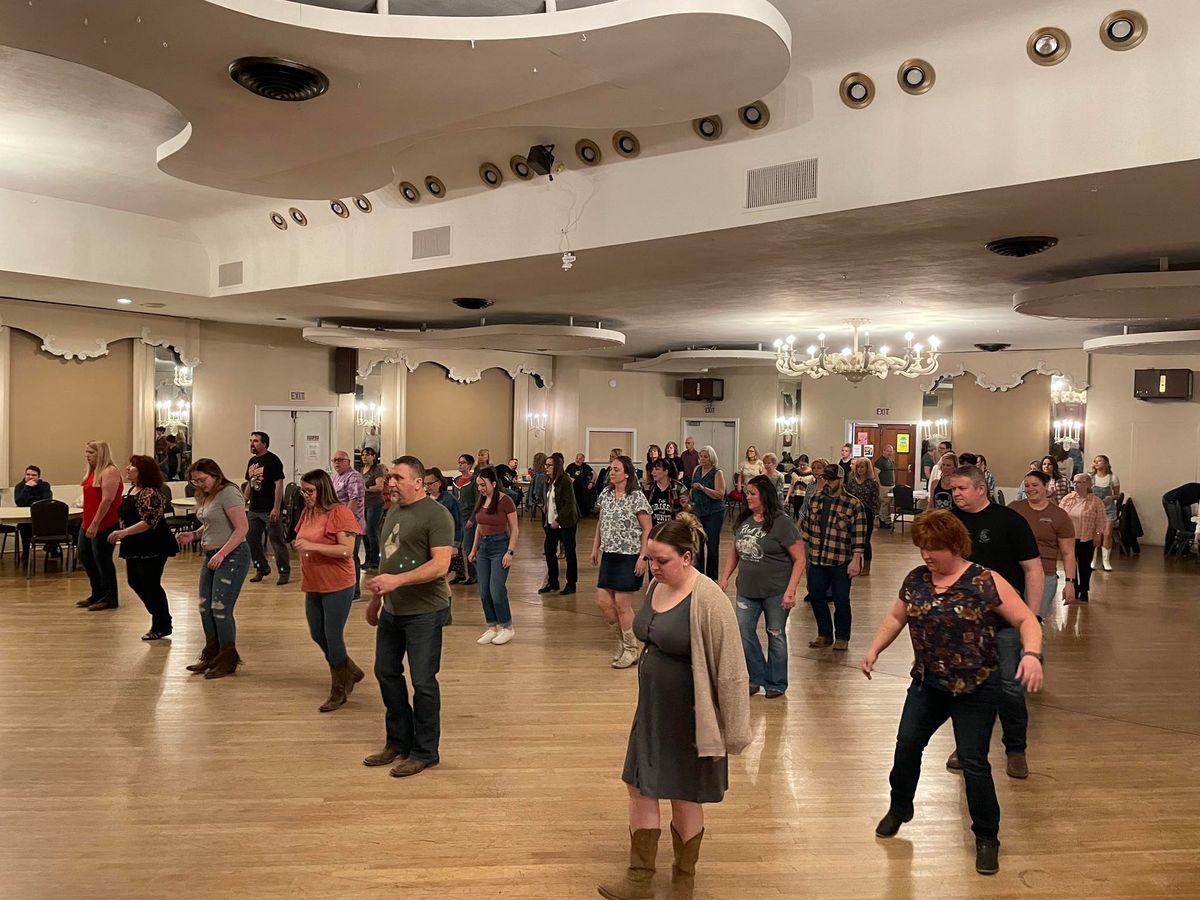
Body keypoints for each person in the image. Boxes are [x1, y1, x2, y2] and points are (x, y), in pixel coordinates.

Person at [861, 509, 1044, 877]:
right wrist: (874, 648)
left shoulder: (983, 580)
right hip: (929, 684)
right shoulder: (917, 580)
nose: (927, 556)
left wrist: (1032, 655)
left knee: (974, 763)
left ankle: (987, 837)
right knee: (907, 745)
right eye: (922, 548)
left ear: (955, 545)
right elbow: (897, 617)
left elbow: (1025, 619)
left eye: (935, 548)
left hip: (976, 687)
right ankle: (900, 807)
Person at [597, 515, 751, 900]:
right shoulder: (656, 586)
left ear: (687, 557)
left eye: (661, 561)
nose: (653, 567)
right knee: (640, 788)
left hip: (691, 716)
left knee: (684, 795)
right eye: (650, 559)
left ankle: (684, 881)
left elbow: (733, 672)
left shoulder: (710, 600)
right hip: (652, 710)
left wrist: (733, 734)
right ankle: (639, 878)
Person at [948, 465, 1043, 778]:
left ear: (980, 489)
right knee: (965, 688)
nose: (955, 494)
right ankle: (967, 747)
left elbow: (1033, 570)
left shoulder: (1009, 521)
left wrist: (1030, 615)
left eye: (961, 488)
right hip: (962, 623)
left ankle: (1016, 750)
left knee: (1009, 689)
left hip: (1003, 622)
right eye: (953, 489)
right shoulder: (950, 521)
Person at [363, 456, 454, 778]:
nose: (390, 483)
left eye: (398, 478)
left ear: (418, 481)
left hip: (424, 613)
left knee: (423, 682)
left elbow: (440, 565)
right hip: (393, 609)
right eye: (389, 477)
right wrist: (376, 600)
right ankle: (398, 742)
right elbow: (389, 561)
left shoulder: (437, 515)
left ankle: (425, 751)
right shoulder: (393, 512)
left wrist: (396, 582)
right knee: (386, 672)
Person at [719, 475, 803, 699]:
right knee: (743, 632)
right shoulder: (744, 520)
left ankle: (776, 682)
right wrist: (724, 577)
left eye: (752, 493)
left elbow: (800, 558)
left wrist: (791, 590)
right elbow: (734, 551)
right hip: (747, 590)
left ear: (765, 496)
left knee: (775, 634)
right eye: (747, 493)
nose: (748, 497)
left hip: (776, 591)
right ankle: (755, 677)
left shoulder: (782, 523)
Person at [293, 468, 363, 712]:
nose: (306, 495)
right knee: (316, 633)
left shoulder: (339, 513)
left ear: (322, 489)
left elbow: (347, 550)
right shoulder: (308, 512)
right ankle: (350, 669)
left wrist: (311, 546)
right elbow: (302, 538)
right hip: (313, 581)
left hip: (338, 583)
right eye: (303, 490)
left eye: (310, 491)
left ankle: (339, 687)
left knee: (332, 635)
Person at [178, 459, 251, 679]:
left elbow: (242, 528)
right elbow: (211, 523)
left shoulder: (229, 492)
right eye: (195, 481)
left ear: (215, 475)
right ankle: (212, 654)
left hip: (232, 556)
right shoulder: (208, 495)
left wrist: (222, 553)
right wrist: (194, 535)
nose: (200, 485)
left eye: (203, 480)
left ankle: (227, 659)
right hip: (212, 555)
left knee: (220, 608)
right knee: (205, 607)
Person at [592, 455, 653, 669]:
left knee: (622, 604)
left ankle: (631, 649)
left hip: (630, 555)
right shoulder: (606, 494)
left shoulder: (636, 497)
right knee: (603, 602)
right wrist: (595, 547)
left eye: (616, 469)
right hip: (609, 553)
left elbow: (647, 528)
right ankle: (625, 641)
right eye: (610, 469)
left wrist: (643, 557)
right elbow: (601, 522)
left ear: (627, 473)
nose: (612, 472)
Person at [798, 464, 865, 651]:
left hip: (840, 560)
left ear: (841, 480)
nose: (828, 482)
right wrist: (799, 555)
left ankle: (842, 637)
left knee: (841, 599)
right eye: (826, 478)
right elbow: (807, 531)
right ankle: (824, 634)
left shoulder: (853, 504)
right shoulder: (815, 500)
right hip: (817, 558)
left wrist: (856, 560)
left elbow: (859, 537)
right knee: (816, 597)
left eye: (832, 479)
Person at [110, 455, 177, 640]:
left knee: (150, 583)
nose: (127, 468)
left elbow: (149, 521)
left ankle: (162, 623)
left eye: (132, 466)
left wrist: (123, 533)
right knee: (134, 581)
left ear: (143, 471)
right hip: (135, 543)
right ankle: (159, 615)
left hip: (153, 543)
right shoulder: (132, 489)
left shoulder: (151, 493)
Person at [1010, 470, 1077, 618]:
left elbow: (1068, 553)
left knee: (1034, 620)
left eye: (1035, 485)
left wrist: (1070, 583)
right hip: (1014, 573)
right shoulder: (1014, 508)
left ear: (1046, 486)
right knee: (1012, 622)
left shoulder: (1059, 515)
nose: (1030, 489)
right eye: (1027, 485)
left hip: (1044, 575)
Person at [469, 467, 519, 646]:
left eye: (483, 485)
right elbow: (479, 526)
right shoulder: (482, 500)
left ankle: (507, 627)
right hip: (484, 548)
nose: (480, 488)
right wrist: (474, 549)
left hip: (500, 546)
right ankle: (492, 626)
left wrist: (509, 552)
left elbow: (514, 528)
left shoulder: (505, 501)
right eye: (478, 485)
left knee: (496, 589)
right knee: (484, 590)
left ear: (494, 484)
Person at [76, 441, 123, 611]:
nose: (87, 455)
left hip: (104, 523)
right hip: (87, 522)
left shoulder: (109, 471)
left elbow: (107, 500)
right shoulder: (92, 472)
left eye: (91, 452)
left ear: (101, 453)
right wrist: (87, 522)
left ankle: (110, 597)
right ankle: (97, 593)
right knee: (85, 557)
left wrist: (95, 523)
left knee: (102, 560)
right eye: (86, 452)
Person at [245, 431, 290, 586]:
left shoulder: (273, 460)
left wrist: (276, 508)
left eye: (256, 441)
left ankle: (284, 571)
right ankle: (261, 568)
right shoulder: (252, 461)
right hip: (254, 509)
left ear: (264, 443)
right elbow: (250, 484)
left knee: (277, 541)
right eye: (251, 440)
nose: (252, 443)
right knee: (251, 539)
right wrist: (243, 500)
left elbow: (279, 484)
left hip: (269, 509)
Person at [1059, 475, 1107, 602]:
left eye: (1079, 482)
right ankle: (1073, 588)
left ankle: (1084, 589)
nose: (1076, 485)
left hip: (1086, 537)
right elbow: (1059, 515)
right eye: (1074, 482)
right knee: (1070, 564)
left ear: (1088, 484)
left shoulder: (1096, 501)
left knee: (1084, 565)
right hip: (1069, 538)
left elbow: (1101, 520)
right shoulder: (1068, 499)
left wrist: (1098, 534)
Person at [541, 454, 580, 596]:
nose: (546, 468)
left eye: (549, 465)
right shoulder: (549, 481)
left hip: (566, 522)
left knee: (569, 552)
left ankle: (571, 583)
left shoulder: (565, 481)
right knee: (549, 550)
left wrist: (558, 519)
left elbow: (569, 504)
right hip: (551, 523)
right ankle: (553, 582)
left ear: (556, 466)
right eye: (545, 465)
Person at [331, 450, 367, 600]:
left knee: (351, 558)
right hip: (338, 523)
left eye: (340, 460)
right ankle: (343, 588)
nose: (337, 463)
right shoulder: (336, 477)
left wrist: (343, 521)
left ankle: (354, 592)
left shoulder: (354, 477)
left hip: (351, 524)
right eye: (335, 460)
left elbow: (354, 500)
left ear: (348, 461)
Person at [689, 446, 726, 580]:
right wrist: (689, 497)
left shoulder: (717, 472)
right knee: (697, 544)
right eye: (701, 456)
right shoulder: (696, 470)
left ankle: (712, 577)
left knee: (712, 545)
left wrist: (704, 488)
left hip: (714, 512)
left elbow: (720, 494)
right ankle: (698, 575)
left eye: (706, 457)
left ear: (711, 458)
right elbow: (692, 489)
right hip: (698, 511)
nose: (703, 459)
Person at [424, 467, 464, 588]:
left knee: (441, 577)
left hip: (444, 543)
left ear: (439, 483)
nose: (427, 487)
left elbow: (458, 524)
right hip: (428, 542)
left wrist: (456, 545)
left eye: (430, 483)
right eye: (425, 484)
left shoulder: (450, 501)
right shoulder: (425, 499)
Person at [844, 457, 881, 576]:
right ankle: (856, 563)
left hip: (867, 513)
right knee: (851, 539)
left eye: (862, 467)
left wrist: (876, 516)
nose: (860, 469)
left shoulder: (872, 483)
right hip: (852, 513)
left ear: (867, 468)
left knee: (865, 540)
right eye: (858, 467)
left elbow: (876, 501)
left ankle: (867, 565)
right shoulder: (851, 481)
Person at [1089, 455, 1122, 571]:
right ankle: (1092, 560)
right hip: (1093, 509)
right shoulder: (1091, 477)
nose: (1097, 463)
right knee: (1094, 534)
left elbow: (1118, 495)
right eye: (1095, 461)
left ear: (1106, 463)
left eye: (1100, 461)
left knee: (1107, 534)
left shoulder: (1112, 477)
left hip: (1108, 509)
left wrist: (1111, 497)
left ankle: (1106, 560)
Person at [14, 464, 52, 562]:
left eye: (34, 475)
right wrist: (27, 488)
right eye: (28, 474)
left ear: (39, 477)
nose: (30, 477)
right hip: (26, 517)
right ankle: (26, 551)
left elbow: (47, 500)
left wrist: (31, 502)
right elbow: (20, 502)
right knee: (24, 526)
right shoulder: (19, 486)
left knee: (54, 522)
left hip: (42, 516)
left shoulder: (44, 485)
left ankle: (52, 547)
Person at [360, 446, 387, 573]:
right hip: (363, 504)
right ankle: (368, 558)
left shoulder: (377, 469)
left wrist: (366, 489)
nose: (365, 457)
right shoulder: (361, 469)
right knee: (364, 531)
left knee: (371, 531)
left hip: (374, 503)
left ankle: (375, 560)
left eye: (368, 455)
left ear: (374, 456)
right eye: (363, 455)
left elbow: (380, 486)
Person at [453, 454, 479, 584]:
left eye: (462, 463)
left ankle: (474, 575)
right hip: (457, 518)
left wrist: (472, 519)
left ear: (469, 465)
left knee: (468, 547)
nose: (460, 465)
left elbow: (477, 501)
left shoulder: (474, 481)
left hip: (469, 519)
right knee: (456, 547)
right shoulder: (456, 481)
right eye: (459, 462)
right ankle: (460, 573)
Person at [645, 458, 690, 528]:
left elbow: (688, 512)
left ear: (666, 471)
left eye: (657, 469)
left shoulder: (679, 488)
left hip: (672, 529)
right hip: (653, 529)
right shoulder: (648, 488)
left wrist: (686, 505)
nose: (652, 472)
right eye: (652, 469)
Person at [1161, 482, 1200, 554]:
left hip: (1181, 502)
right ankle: (1169, 550)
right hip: (1170, 500)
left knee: (1187, 525)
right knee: (1174, 526)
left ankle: (1184, 550)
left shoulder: (1197, 488)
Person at [566, 452, 595, 519]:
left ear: (583, 460)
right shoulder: (571, 466)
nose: (578, 460)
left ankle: (585, 512)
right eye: (577, 458)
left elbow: (594, 474)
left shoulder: (585, 466)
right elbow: (566, 475)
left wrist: (591, 482)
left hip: (584, 487)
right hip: (573, 487)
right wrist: (570, 479)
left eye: (580, 459)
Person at [876, 445, 896, 527]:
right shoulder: (880, 461)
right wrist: (879, 484)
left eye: (890, 451)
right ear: (883, 451)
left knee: (889, 504)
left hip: (891, 485)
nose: (889, 453)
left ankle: (888, 520)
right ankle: (882, 520)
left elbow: (892, 472)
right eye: (888, 451)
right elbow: (876, 473)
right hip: (883, 486)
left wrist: (894, 482)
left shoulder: (890, 460)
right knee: (884, 503)